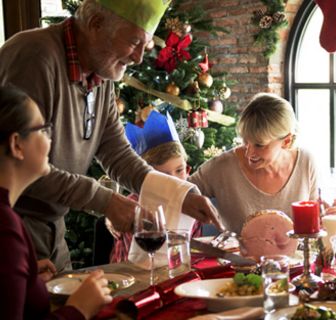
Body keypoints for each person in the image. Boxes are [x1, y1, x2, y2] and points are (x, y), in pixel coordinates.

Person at [0, 0, 221, 271]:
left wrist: (179, 195)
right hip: (11, 228)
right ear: (95, 25)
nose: (139, 58)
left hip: (52, 236)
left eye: (146, 46)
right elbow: (18, 162)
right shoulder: (34, 56)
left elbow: (116, 152)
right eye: (134, 42)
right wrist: (105, 200)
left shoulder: (100, 71)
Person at [0, 85, 111, 319]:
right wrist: (78, 310)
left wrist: (26, 279)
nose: (51, 140)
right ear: (17, 144)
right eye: (43, 130)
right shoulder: (5, 228)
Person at [189, 93, 336, 234]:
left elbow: (315, 226)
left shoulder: (306, 162)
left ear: (286, 141)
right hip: (240, 265)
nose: (249, 153)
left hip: (295, 263)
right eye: (245, 141)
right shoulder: (222, 167)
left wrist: (332, 214)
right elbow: (178, 194)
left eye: (259, 145)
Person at [109, 110, 202, 263]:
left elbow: (193, 257)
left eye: (179, 170)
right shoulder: (134, 208)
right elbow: (131, 262)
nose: (175, 181)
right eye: (164, 177)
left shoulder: (191, 205)